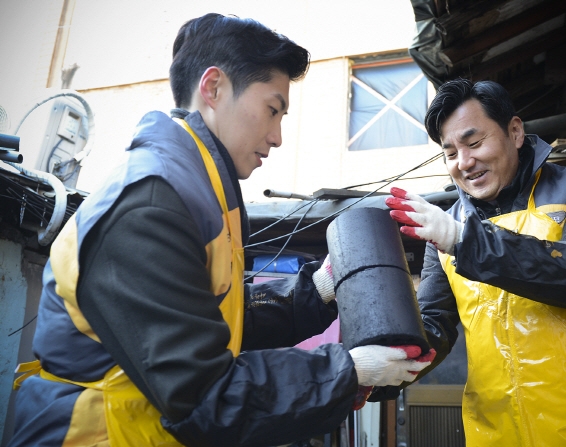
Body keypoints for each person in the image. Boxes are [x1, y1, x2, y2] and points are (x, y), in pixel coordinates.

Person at [8, 14, 435, 447]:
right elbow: (203, 396)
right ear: (213, 89)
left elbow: (213, 322)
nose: (278, 136)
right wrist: (349, 370)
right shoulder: (152, 202)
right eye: (273, 110)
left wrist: (319, 290)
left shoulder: (198, 189)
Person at [384, 78, 566, 446]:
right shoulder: (443, 231)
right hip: (501, 432)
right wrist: (384, 366)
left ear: (515, 132)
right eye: (450, 153)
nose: (464, 162)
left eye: (474, 143)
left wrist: (464, 240)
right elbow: (434, 324)